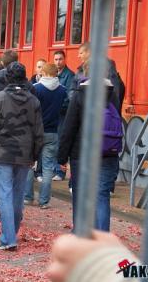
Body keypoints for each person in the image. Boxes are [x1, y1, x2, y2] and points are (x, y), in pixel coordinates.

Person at [0, 62, 43, 251]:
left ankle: (9, 237)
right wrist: (35, 154)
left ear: (7, 78)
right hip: (25, 152)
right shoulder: (33, 101)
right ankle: (11, 234)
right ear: (24, 78)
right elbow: (39, 131)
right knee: (17, 194)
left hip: (2, 150)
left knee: (4, 194)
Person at [58, 61, 122, 232]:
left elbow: (69, 127)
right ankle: (102, 237)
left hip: (82, 153)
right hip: (108, 151)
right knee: (102, 196)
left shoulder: (80, 94)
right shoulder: (113, 93)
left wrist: (62, 157)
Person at [33, 63, 67, 209]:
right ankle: (44, 201)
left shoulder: (35, 88)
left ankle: (28, 197)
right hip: (52, 132)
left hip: (36, 131)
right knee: (48, 168)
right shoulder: (62, 90)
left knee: (29, 164)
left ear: (44, 73)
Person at [52, 50, 75, 181]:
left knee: (61, 142)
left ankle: (60, 172)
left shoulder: (69, 75)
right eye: (56, 59)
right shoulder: (53, 75)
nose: (58, 62)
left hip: (63, 113)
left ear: (65, 59)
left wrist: (58, 106)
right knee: (55, 142)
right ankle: (55, 169)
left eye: (60, 59)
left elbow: (68, 96)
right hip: (55, 113)